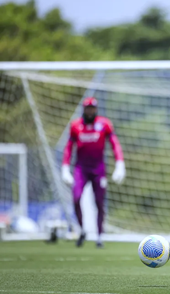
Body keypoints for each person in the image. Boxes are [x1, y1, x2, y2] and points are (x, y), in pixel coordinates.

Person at [61, 97, 126, 248]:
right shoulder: (76, 126)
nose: (90, 111)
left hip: (98, 169)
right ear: (84, 109)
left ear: (96, 109)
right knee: (76, 198)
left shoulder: (104, 124)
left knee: (99, 203)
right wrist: (65, 167)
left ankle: (99, 236)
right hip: (80, 169)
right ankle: (82, 229)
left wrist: (120, 163)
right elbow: (69, 147)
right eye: (87, 108)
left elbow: (115, 144)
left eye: (92, 108)